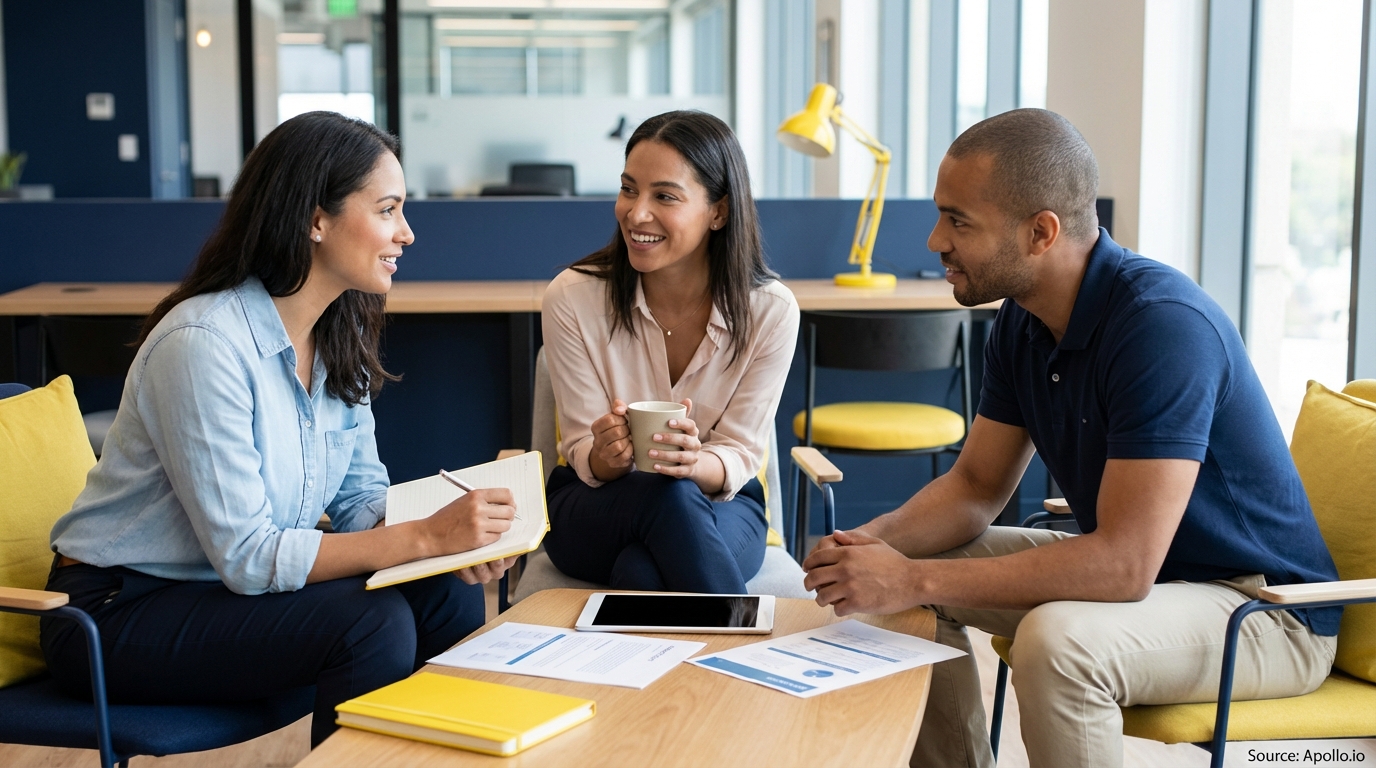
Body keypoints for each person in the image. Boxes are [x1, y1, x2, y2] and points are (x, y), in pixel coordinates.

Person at [801, 109, 1339, 768]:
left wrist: (909, 575)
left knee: (1056, 641)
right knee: (885, 595)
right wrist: (869, 550)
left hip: (1262, 611)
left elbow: (1122, 564)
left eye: (959, 220)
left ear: (1041, 232)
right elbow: (973, 489)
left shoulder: (1161, 328)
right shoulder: (1022, 323)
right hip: (1153, 588)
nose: (935, 240)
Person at [43, 112, 518, 747]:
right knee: (370, 624)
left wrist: (456, 543)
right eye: (387, 210)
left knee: (447, 597)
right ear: (315, 219)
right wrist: (423, 537)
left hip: (217, 593)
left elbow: (356, 502)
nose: (406, 233)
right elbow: (247, 556)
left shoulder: (336, 336)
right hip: (115, 612)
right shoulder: (204, 343)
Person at [541, 110, 799, 593]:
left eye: (664, 196)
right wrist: (605, 455)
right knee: (669, 500)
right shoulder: (572, 297)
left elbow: (740, 453)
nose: (636, 213)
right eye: (628, 189)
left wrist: (690, 464)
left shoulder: (771, 311)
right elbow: (578, 448)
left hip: (720, 503)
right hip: (593, 505)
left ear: (719, 211)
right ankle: (744, 651)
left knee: (646, 563)